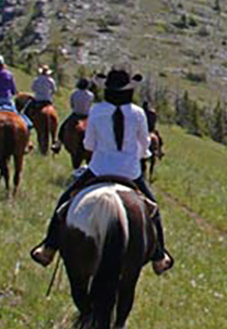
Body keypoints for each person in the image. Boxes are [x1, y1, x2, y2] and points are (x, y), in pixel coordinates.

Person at [30, 68, 173, 274]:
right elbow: (144, 144)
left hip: (99, 169)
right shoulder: (138, 113)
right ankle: (159, 256)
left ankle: (49, 247)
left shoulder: (97, 110)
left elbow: (89, 144)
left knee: (64, 201)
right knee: (154, 211)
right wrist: (139, 155)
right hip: (130, 172)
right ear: (129, 91)